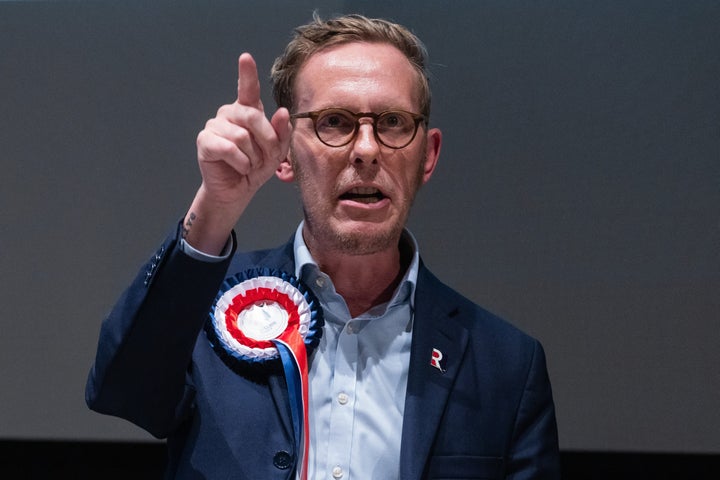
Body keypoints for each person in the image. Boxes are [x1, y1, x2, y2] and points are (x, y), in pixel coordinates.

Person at [86, 13, 560, 480]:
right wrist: (215, 206)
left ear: (428, 155)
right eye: (335, 121)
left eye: (393, 122)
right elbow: (122, 391)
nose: (367, 149)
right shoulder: (205, 308)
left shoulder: (507, 365)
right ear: (286, 154)